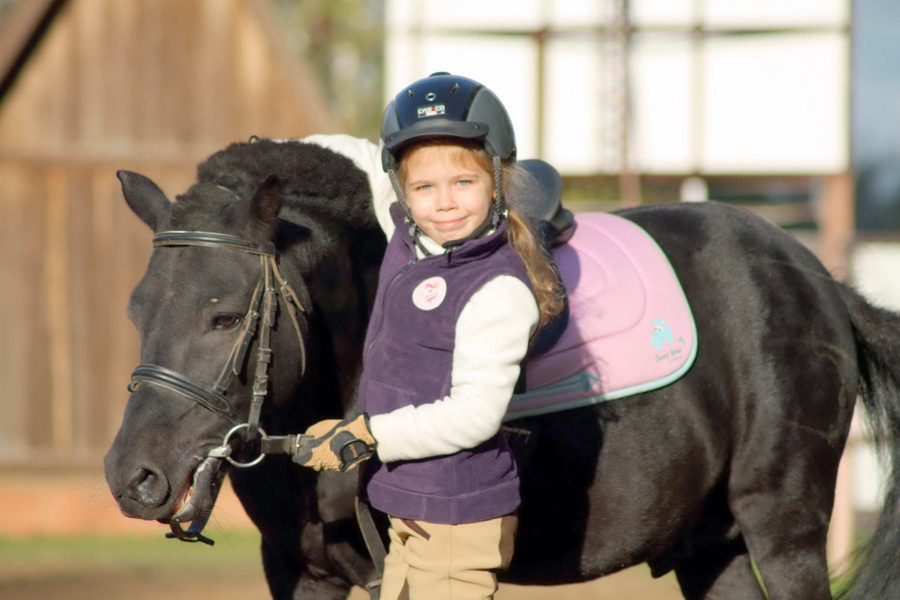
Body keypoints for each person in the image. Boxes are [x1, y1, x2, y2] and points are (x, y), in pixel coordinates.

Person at [294, 72, 565, 600]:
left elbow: (475, 415)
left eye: (464, 183)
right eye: (424, 187)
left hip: (455, 528)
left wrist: (369, 434)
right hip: (411, 518)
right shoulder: (407, 234)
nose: (444, 203)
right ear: (402, 189)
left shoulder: (498, 290)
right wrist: (267, 157)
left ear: (498, 180)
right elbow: (352, 154)